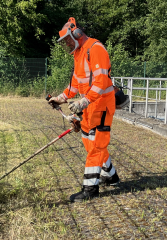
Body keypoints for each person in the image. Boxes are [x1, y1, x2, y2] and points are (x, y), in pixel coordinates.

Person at [49, 17, 120, 202]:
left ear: (77, 34)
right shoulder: (78, 53)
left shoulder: (95, 48)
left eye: (67, 40)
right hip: (88, 107)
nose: (66, 45)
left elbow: (102, 81)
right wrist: (61, 98)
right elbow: (75, 85)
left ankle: (90, 188)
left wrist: (84, 101)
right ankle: (110, 175)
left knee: (96, 146)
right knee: (90, 143)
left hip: (101, 106)